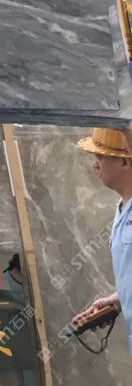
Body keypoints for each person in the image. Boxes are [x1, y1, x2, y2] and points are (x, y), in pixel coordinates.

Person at [73, 127, 132, 350]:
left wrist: (125, 129)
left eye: (100, 156)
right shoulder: (122, 208)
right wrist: (117, 300)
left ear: (124, 162)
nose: (94, 165)